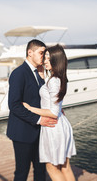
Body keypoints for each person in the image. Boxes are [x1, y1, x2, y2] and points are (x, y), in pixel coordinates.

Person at [23, 44, 77, 181]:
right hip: (60, 124)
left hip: (53, 126)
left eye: (48, 58)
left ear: (56, 60)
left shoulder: (54, 81)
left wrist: (30, 108)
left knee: (51, 168)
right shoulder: (58, 77)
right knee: (65, 167)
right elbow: (55, 106)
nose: (45, 61)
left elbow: (53, 112)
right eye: (45, 57)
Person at [6, 39, 57, 181]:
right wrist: (40, 119)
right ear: (30, 52)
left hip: (40, 133)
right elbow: (14, 105)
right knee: (22, 172)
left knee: (40, 171)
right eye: (41, 53)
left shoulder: (39, 74)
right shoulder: (19, 73)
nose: (44, 56)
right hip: (23, 132)